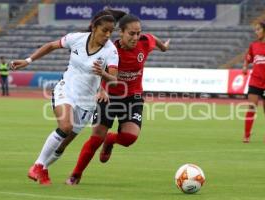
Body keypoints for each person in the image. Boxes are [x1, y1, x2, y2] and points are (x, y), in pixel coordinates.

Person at [11, 9, 126, 185]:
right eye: (105, 30)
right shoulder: (76, 38)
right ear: (94, 27)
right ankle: (38, 165)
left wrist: (102, 74)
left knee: (64, 143)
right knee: (65, 126)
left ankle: (43, 170)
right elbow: (50, 45)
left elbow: (114, 78)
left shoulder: (111, 51)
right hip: (67, 89)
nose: (108, 35)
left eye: (111, 31)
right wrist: (28, 61)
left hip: (87, 102)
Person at [66, 13, 170, 185]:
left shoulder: (145, 41)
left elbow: (153, 39)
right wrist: (101, 90)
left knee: (130, 138)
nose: (135, 37)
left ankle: (111, 139)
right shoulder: (110, 50)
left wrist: (164, 48)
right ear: (120, 32)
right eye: (131, 33)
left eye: (138, 33)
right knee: (96, 138)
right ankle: (76, 175)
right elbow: (97, 72)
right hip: (109, 96)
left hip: (133, 97)